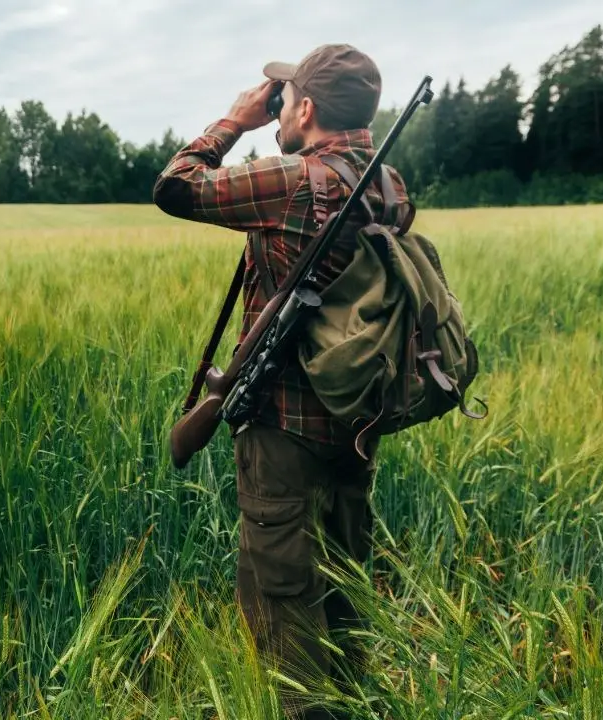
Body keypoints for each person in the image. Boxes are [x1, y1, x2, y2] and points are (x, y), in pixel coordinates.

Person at [152, 44, 410, 719]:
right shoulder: (388, 186)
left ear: (308, 108)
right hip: (356, 426)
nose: (277, 111)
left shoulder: (293, 180)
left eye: (284, 99)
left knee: (283, 619)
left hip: (283, 432)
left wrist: (235, 121)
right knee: (344, 598)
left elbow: (175, 185)